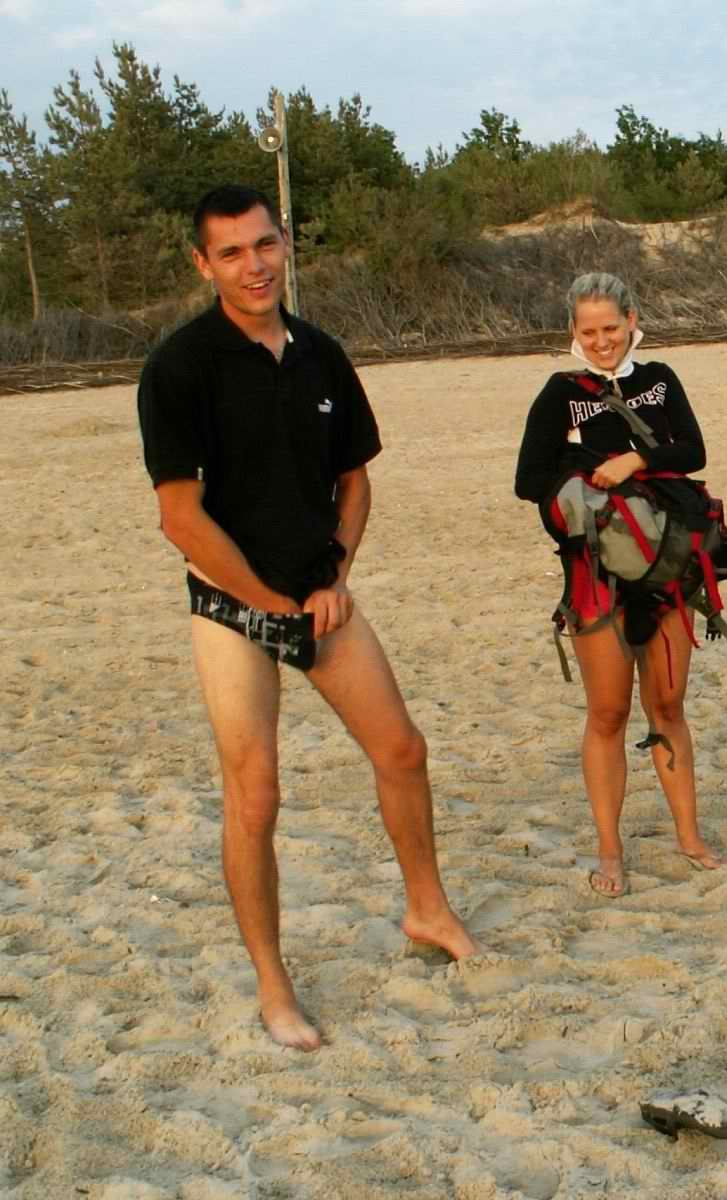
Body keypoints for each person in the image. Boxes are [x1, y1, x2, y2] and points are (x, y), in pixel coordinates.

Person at [136, 185, 482, 1051]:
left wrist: (334, 576)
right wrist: (269, 605)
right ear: (203, 264)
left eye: (264, 244)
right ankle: (272, 981)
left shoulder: (322, 354)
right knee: (255, 795)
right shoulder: (180, 367)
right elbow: (181, 518)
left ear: (285, 242)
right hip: (231, 606)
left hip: (318, 595)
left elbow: (354, 481)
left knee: (402, 750)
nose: (253, 266)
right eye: (231, 253)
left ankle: (427, 908)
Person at [514, 272, 724, 898]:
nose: (602, 341)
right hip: (594, 573)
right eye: (589, 332)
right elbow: (528, 481)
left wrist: (637, 459)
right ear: (573, 332)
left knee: (669, 705)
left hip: (667, 568)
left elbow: (693, 450)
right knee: (607, 713)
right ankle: (610, 850)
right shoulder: (560, 393)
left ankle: (689, 836)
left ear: (632, 320)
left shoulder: (659, 379)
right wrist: (585, 473)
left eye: (611, 327)